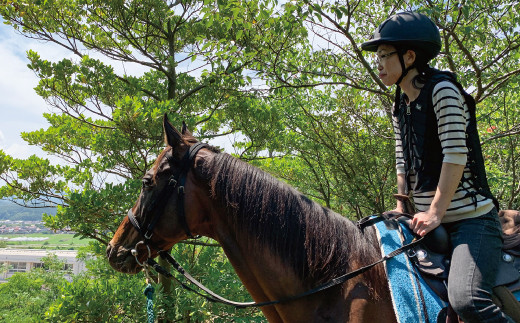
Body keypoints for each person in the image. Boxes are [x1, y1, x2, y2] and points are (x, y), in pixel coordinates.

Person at [361, 12, 513, 322]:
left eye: (383, 55)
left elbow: (455, 155)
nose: (377, 63)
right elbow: (402, 157)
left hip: (472, 222)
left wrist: (434, 213)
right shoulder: (400, 102)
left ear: (410, 56)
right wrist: (402, 204)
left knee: (467, 299)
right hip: (426, 219)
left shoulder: (442, 90)